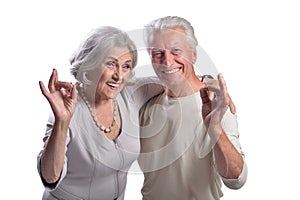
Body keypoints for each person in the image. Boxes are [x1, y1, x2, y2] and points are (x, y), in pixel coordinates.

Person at [37, 26, 162, 200]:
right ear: (90, 63)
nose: (119, 76)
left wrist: (206, 82)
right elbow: (50, 177)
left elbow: (175, 82)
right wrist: (62, 122)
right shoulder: (68, 108)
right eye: (111, 64)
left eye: (126, 66)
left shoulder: (131, 93)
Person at [138, 16, 248, 200]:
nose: (167, 61)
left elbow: (236, 180)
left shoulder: (217, 105)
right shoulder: (144, 106)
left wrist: (215, 129)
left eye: (176, 50)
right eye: (157, 52)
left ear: (194, 54)